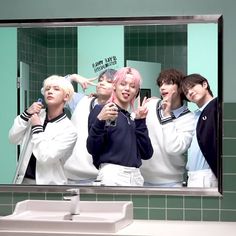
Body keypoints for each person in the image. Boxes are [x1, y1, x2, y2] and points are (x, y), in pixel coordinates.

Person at [86, 67, 153, 186]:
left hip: (136, 175)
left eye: (132, 86)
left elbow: (147, 153)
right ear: (114, 86)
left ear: (136, 92)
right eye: (123, 84)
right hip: (112, 174)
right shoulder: (102, 110)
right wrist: (100, 120)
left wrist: (140, 122)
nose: (127, 88)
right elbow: (92, 148)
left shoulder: (132, 119)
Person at [9, 75, 77, 185]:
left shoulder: (69, 130)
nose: (50, 91)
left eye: (56, 89)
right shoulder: (35, 115)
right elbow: (13, 138)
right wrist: (26, 114)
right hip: (23, 181)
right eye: (47, 89)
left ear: (66, 96)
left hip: (50, 185)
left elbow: (45, 157)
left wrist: (37, 128)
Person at [140, 68, 195, 187]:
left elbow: (174, 148)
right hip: (142, 180)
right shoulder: (150, 105)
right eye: (161, 84)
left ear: (180, 87)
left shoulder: (189, 119)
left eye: (169, 83)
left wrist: (167, 115)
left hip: (172, 182)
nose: (163, 87)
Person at [64, 69, 117, 184]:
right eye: (100, 80)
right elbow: (54, 88)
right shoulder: (81, 101)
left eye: (109, 81)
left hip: (101, 178)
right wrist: (73, 77)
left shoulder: (119, 111)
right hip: (70, 174)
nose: (102, 83)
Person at [181, 73, 218, 187]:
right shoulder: (195, 115)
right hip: (193, 175)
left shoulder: (217, 107)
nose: (190, 92)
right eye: (186, 92)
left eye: (192, 86)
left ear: (204, 84)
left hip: (207, 175)